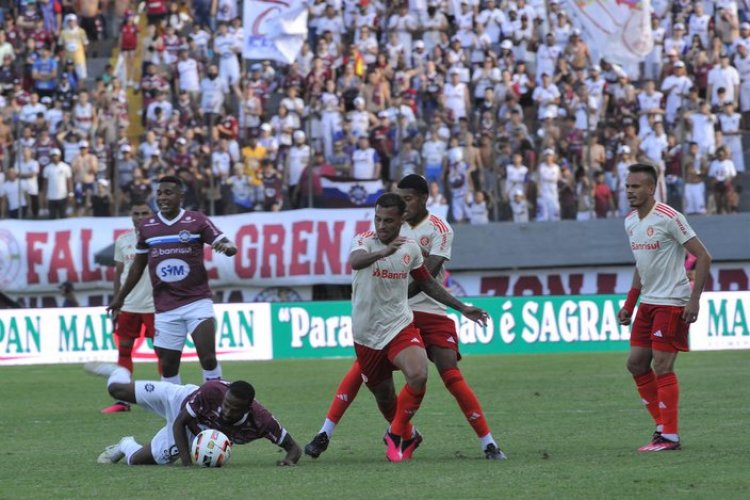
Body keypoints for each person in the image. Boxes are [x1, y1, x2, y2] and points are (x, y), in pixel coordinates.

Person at [306, 190, 494, 463]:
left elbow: (428, 283)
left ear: (401, 221)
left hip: (399, 326)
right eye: (378, 219)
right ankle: (409, 434)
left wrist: (462, 307)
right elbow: (355, 261)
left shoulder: (410, 248)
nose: (381, 225)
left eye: (388, 221)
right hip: (367, 336)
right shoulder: (363, 241)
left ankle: (394, 434)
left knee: (418, 374)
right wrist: (383, 251)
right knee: (385, 401)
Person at [107, 176, 238, 386]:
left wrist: (228, 247)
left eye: (168, 192)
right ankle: (174, 414)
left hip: (197, 301)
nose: (162, 197)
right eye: (159, 193)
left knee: (207, 357)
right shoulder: (148, 227)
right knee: (168, 365)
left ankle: (214, 402)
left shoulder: (197, 220)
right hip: (166, 306)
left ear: (181, 196)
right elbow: (137, 268)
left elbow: (222, 241)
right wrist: (120, 299)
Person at [617, 163, 711, 452]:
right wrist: (630, 304)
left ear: (650, 188)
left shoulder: (670, 217)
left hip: (672, 301)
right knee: (635, 363)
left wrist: (694, 299)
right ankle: (662, 428)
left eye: (636, 186)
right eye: (628, 186)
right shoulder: (631, 221)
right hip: (647, 303)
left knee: (662, 364)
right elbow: (640, 266)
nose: (630, 191)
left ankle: (669, 435)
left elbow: (704, 256)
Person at [85, 363, 301, 466]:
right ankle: (118, 371)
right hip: (181, 399)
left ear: (247, 409)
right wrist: (187, 463)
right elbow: (180, 421)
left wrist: (290, 460)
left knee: (136, 460)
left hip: (196, 430)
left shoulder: (261, 421)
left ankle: (125, 443)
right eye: (226, 404)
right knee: (117, 390)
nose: (226, 410)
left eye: (233, 409)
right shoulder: (213, 392)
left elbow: (294, 448)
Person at [101, 202, 161, 414]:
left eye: (144, 213)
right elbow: (119, 274)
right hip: (129, 305)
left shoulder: (159, 237)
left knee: (163, 352)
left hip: (155, 305)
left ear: (152, 214)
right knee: (124, 350)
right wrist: (117, 300)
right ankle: (122, 401)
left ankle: (167, 397)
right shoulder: (123, 240)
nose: (140, 217)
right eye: (136, 213)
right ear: (130, 216)